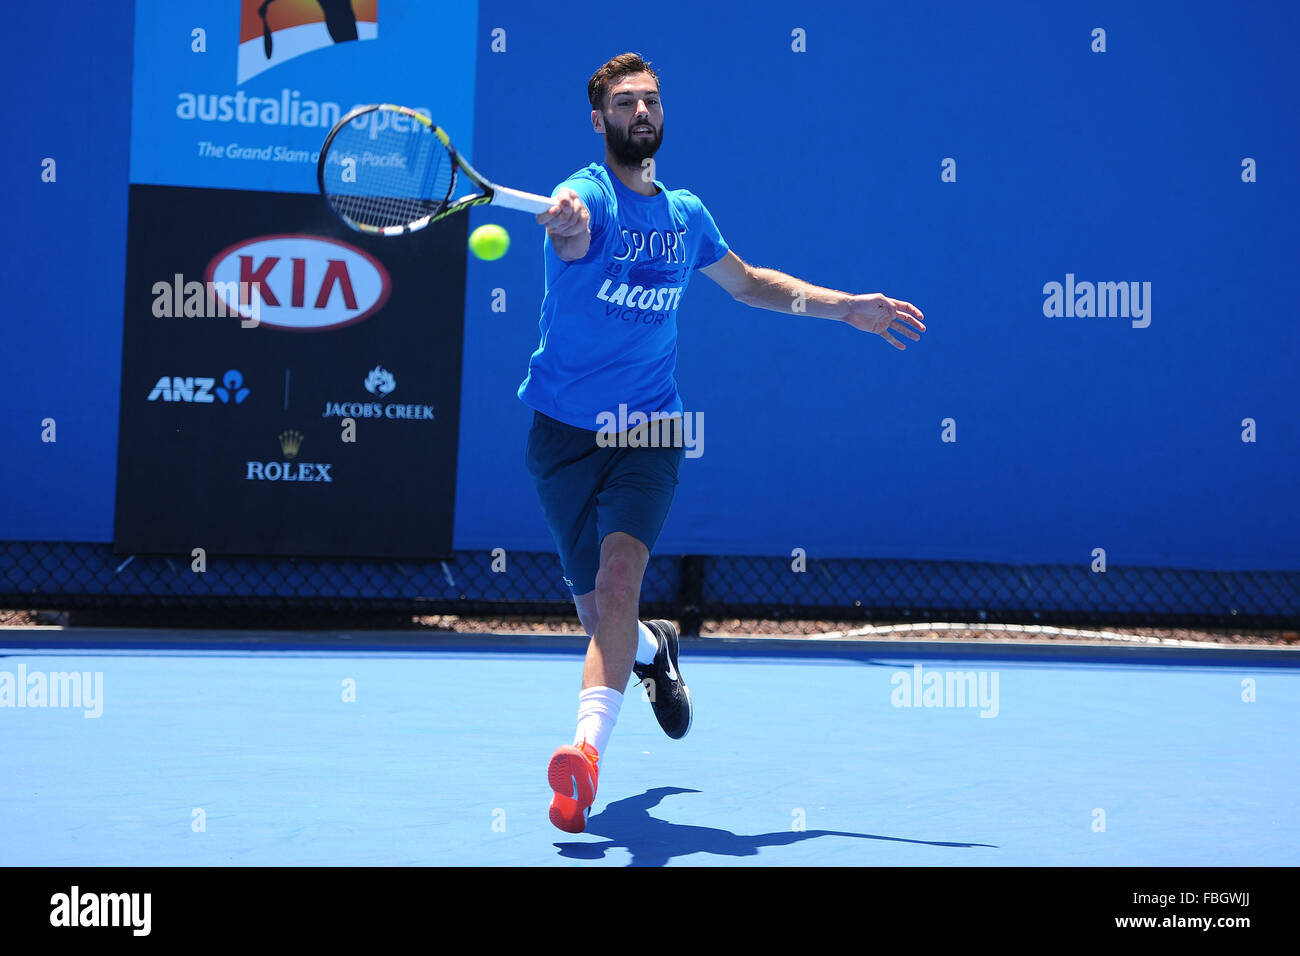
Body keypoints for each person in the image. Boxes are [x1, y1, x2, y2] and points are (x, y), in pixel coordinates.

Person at [524, 52, 926, 833]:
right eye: (623, 103)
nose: (640, 112)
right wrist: (569, 221)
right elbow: (574, 231)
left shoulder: (686, 216)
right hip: (561, 433)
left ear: (662, 115)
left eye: (650, 101)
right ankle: (654, 648)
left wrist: (844, 307)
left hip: (651, 426)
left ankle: (582, 761)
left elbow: (746, 282)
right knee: (600, 616)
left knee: (615, 583)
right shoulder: (588, 198)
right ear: (599, 120)